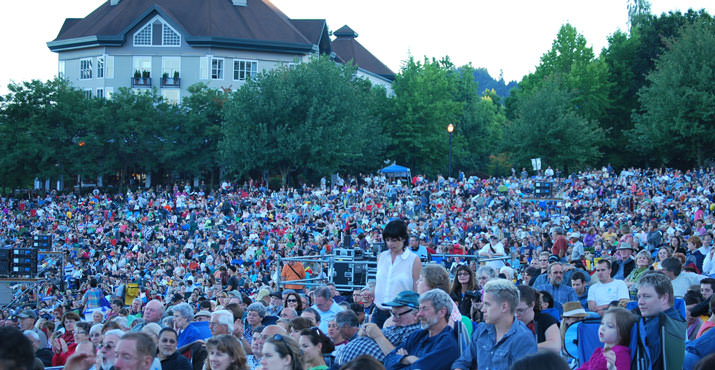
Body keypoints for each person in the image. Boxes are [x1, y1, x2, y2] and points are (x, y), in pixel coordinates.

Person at [453, 279, 537, 370]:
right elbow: (462, 362)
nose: (482, 309)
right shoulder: (482, 330)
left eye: (487, 304)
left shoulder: (523, 338)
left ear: (504, 307)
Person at [339, 290, 421, 365]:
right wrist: (363, 333)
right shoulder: (399, 326)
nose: (394, 319)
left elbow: (399, 359)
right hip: (345, 361)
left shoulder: (415, 332)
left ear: (415, 314)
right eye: (392, 314)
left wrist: (378, 336)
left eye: (397, 315)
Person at [384, 289, 458, 370]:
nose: (419, 314)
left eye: (424, 309)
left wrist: (400, 361)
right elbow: (387, 360)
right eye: (419, 309)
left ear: (442, 312)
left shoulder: (447, 343)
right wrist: (407, 359)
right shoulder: (418, 335)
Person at [374, 220, 422, 328]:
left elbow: (416, 290)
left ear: (403, 239)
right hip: (378, 311)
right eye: (388, 240)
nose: (391, 244)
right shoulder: (381, 257)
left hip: (400, 315)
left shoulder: (413, 260)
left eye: (395, 240)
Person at [637, 272, 685, 370]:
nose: (640, 302)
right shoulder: (679, 319)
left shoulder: (656, 325)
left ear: (664, 298)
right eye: (639, 297)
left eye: (646, 296)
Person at [515, 285, 561, 353]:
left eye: (520, 310)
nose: (516, 315)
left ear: (532, 305)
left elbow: (555, 345)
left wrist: (527, 347)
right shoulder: (509, 321)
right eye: (513, 310)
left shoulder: (545, 319)